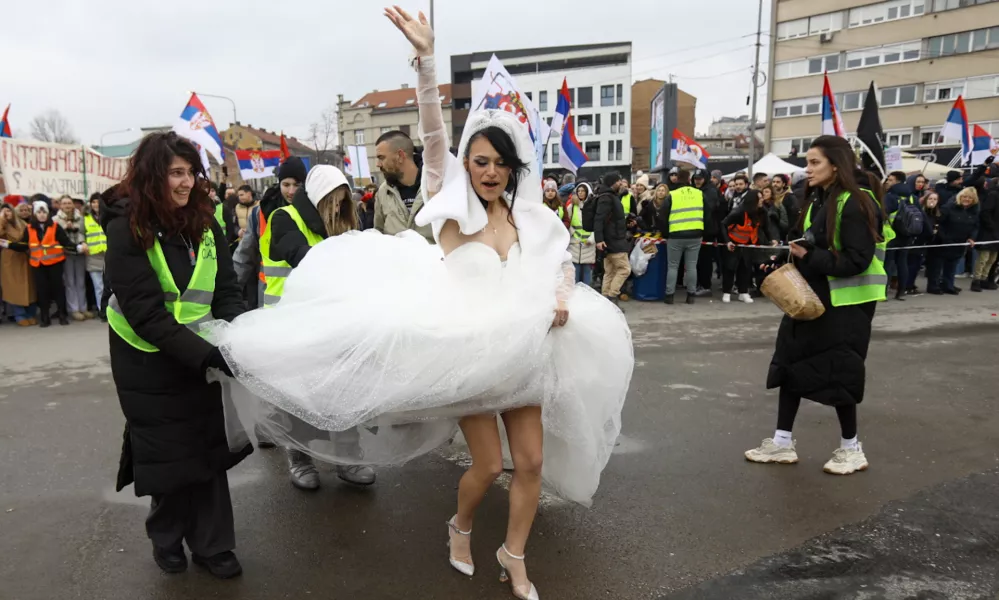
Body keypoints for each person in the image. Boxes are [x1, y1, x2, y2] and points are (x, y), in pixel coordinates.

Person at [212, 9, 632, 599]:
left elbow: (560, 262)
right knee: (486, 467)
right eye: (479, 162)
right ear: (467, 166)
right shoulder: (452, 207)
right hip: (469, 352)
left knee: (531, 464)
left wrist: (561, 298)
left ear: (513, 169)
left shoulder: (529, 214)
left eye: (499, 163)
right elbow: (433, 136)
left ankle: (514, 556)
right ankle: (460, 525)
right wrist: (427, 62)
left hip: (526, 349)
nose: (489, 172)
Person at [103, 132, 250, 578]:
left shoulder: (206, 224)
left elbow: (225, 291)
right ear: (152, 177)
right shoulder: (125, 227)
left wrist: (238, 339)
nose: (187, 183)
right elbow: (146, 314)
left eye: (191, 172)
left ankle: (213, 545)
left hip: (199, 355)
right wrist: (209, 356)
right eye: (176, 173)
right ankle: (166, 537)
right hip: (145, 359)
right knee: (168, 452)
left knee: (208, 449)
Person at [747, 136, 886, 476]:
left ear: (836, 165)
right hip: (810, 299)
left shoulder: (856, 202)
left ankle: (851, 448)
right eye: (807, 162)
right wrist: (781, 262)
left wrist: (809, 256)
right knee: (791, 366)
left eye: (814, 163)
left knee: (840, 373)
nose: (806, 169)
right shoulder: (817, 200)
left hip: (845, 306)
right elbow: (804, 243)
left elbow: (857, 259)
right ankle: (782, 442)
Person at [261, 164, 377, 489]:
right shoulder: (285, 218)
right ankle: (299, 459)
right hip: (292, 321)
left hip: (333, 320)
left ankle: (348, 459)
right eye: (333, 201)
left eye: (343, 201)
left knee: (345, 389)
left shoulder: (345, 225)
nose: (338, 208)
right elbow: (297, 254)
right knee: (299, 395)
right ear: (317, 198)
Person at [232, 157, 307, 309]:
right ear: (279, 183)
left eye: (296, 185)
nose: (291, 191)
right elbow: (244, 256)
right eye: (286, 185)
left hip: (304, 294)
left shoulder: (313, 211)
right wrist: (229, 292)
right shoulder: (260, 214)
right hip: (268, 294)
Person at [374, 129, 434, 241]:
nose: (378, 164)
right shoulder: (383, 192)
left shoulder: (436, 186)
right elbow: (379, 235)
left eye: (381, 157)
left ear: (400, 156)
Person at [657, 170, 703, 305]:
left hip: (675, 235)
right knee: (691, 266)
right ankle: (691, 296)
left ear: (677, 179)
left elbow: (662, 216)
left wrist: (666, 233)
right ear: (689, 179)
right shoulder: (699, 194)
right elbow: (708, 214)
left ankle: (669, 296)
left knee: (673, 266)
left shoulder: (672, 195)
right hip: (695, 234)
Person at [720, 190, 774, 304]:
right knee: (730, 267)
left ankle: (743, 292)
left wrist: (772, 239)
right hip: (734, 243)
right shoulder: (739, 212)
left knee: (745, 268)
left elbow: (766, 227)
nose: (762, 200)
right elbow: (723, 224)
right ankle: (727, 292)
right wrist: (728, 242)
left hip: (748, 244)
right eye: (759, 198)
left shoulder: (762, 212)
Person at [927, 187, 979, 295]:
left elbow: (975, 227)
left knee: (951, 266)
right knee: (937, 266)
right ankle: (933, 286)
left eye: (970, 197)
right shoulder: (948, 208)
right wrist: (945, 238)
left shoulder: (974, 212)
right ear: (960, 197)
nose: (967, 199)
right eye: (965, 196)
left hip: (959, 242)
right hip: (942, 242)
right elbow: (939, 223)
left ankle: (948, 285)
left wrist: (972, 237)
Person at [594, 172, 632, 305]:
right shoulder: (607, 198)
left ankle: (605, 303)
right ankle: (611, 297)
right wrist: (599, 239)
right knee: (624, 269)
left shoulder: (607, 196)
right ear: (612, 183)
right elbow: (599, 219)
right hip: (614, 240)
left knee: (609, 272)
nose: (621, 183)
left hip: (609, 239)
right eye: (618, 181)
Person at [54, 194, 92, 320]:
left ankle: (83, 307)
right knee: (70, 282)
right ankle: (74, 309)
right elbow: (56, 237)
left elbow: (83, 232)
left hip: (80, 252)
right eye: (64, 203)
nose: (67, 206)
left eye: (69, 203)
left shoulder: (80, 217)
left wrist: (82, 243)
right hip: (66, 253)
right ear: (60, 205)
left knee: (81, 281)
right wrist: (65, 228)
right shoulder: (55, 219)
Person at [0, 203, 37, 326]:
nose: (7, 214)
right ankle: (19, 314)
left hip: (25, 257)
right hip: (10, 258)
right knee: (14, 287)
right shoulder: (3, 225)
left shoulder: (22, 223)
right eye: (4, 211)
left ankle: (30, 313)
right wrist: (1, 218)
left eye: (8, 211)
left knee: (29, 286)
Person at [882, 171, 915, 301]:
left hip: (891, 234)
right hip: (907, 234)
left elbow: (882, 213)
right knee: (902, 263)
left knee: (888, 263)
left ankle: (883, 292)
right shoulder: (911, 196)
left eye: (890, 180)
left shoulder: (890, 196)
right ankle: (901, 292)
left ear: (896, 181)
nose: (887, 182)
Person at [694, 171, 724, 296]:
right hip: (699, 228)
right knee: (699, 260)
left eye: (699, 179)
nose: (697, 181)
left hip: (707, 230)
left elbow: (709, 210)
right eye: (695, 178)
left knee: (705, 260)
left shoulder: (710, 191)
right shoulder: (700, 190)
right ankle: (700, 284)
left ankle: (705, 285)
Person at [971, 178, 999, 292]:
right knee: (983, 258)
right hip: (989, 232)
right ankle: (976, 280)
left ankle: (984, 279)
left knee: (992, 259)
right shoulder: (993, 194)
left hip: (996, 232)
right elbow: (985, 212)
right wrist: (992, 227)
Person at [84, 192, 109, 321]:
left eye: (98, 201)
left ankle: (111, 310)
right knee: (98, 286)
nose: (95, 204)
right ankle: (102, 310)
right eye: (93, 202)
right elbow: (83, 235)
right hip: (93, 256)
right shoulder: (86, 218)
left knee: (109, 285)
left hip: (107, 254)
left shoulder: (108, 215)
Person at [568, 183, 596, 286]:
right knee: (575, 273)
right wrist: (573, 233)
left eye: (583, 191)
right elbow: (568, 222)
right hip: (575, 243)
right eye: (578, 191)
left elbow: (597, 225)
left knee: (587, 273)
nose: (580, 193)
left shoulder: (593, 206)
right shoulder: (572, 207)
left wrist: (592, 239)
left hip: (588, 244)